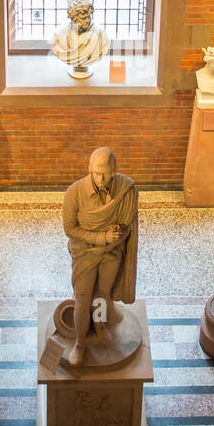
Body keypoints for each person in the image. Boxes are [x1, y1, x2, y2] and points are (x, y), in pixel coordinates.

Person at [61, 148, 138, 368]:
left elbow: (125, 226)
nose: (101, 178)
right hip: (84, 254)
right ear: (89, 169)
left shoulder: (125, 190)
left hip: (111, 253)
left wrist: (111, 241)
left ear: (114, 171)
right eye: (96, 173)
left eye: (105, 173)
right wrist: (103, 237)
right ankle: (79, 343)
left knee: (104, 293)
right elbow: (70, 229)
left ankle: (100, 323)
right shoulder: (74, 192)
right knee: (82, 298)